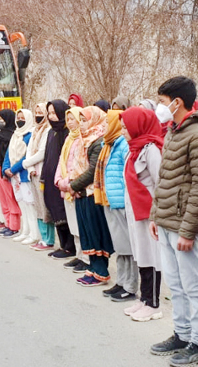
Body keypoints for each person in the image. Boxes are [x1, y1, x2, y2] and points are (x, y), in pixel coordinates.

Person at [148, 76, 198, 367]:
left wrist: (189, 230)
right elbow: (165, 179)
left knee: (193, 285)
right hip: (166, 220)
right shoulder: (174, 131)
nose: (160, 108)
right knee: (175, 284)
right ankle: (182, 333)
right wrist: (155, 215)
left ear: (177, 102)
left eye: (163, 102)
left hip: (183, 225)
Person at [120, 106, 164, 322]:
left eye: (125, 127)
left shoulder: (151, 150)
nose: (123, 131)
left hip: (150, 216)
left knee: (152, 256)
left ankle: (154, 303)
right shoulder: (133, 149)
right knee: (141, 254)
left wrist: (156, 215)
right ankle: (144, 298)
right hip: (135, 214)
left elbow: (160, 183)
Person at [95, 109, 139, 300]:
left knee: (128, 247)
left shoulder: (123, 145)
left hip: (121, 203)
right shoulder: (109, 144)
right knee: (120, 247)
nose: (104, 126)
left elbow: (127, 176)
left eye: (107, 123)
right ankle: (121, 281)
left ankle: (130, 286)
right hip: (110, 201)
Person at [66, 106, 113, 286]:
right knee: (86, 231)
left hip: (92, 193)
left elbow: (93, 170)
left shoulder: (98, 140)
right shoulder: (82, 139)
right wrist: (74, 185)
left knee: (95, 232)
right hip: (81, 193)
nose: (82, 124)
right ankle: (92, 268)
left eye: (85, 120)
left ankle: (101, 271)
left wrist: (74, 185)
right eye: (81, 120)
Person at [56, 106, 91, 273]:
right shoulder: (69, 139)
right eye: (68, 119)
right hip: (66, 186)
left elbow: (80, 166)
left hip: (76, 187)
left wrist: (71, 182)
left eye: (73, 119)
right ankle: (79, 255)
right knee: (73, 225)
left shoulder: (83, 139)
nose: (70, 122)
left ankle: (87, 258)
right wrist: (59, 181)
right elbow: (61, 162)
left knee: (80, 225)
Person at [42, 100, 76, 259]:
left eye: (54, 113)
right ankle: (63, 245)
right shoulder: (51, 132)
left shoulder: (67, 132)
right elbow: (47, 155)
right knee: (55, 210)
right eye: (49, 113)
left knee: (64, 211)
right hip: (50, 179)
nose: (51, 116)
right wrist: (43, 177)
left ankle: (70, 247)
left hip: (61, 179)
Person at [23, 103, 56, 251]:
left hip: (43, 173)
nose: (38, 115)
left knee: (45, 207)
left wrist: (25, 163)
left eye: (40, 112)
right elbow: (29, 150)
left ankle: (49, 240)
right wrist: (29, 167)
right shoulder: (34, 131)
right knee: (37, 206)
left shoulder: (47, 130)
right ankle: (42, 238)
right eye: (36, 112)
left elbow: (42, 153)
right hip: (33, 173)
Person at [6, 109, 38, 245]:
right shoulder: (15, 134)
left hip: (23, 174)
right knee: (22, 203)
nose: (19, 120)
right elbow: (9, 153)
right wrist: (5, 169)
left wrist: (13, 169)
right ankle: (25, 231)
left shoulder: (30, 135)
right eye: (18, 117)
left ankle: (34, 234)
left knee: (30, 204)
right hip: (14, 176)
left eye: (22, 118)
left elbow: (27, 156)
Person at [0, 109, 21, 237]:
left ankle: (14, 226)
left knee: (11, 198)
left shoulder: (12, 135)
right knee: (3, 198)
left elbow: (9, 155)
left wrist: (6, 170)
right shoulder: (1, 134)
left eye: (2, 118)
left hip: (7, 169)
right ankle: (8, 224)